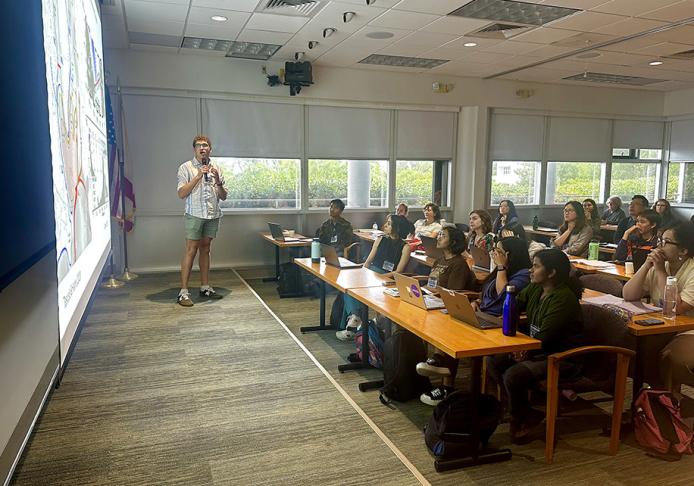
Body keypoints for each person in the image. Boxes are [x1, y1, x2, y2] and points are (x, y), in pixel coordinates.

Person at [487, 249, 583, 443]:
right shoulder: (536, 289)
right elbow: (514, 303)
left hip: (562, 357)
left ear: (551, 272)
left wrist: (522, 352)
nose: (530, 270)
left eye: (536, 266)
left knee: (514, 374)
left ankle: (522, 417)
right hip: (539, 349)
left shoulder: (562, 298)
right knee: (494, 361)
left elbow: (546, 336)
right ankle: (520, 409)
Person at [622, 223, 694, 416]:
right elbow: (628, 294)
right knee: (636, 350)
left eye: (666, 242)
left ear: (684, 250)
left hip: (687, 329)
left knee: (663, 356)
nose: (659, 246)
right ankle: (663, 400)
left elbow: (674, 308)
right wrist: (647, 265)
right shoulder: (660, 264)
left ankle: (668, 404)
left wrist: (661, 271)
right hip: (664, 328)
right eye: (659, 240)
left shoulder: (691, 270)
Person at [417, 226, 478, 405]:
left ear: (453, 242)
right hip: (433, 300)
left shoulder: (458, 264)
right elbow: (431, 283)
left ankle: (446, 383)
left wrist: (431, 294)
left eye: (443, 235)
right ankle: (432, 362)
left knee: (441, 324)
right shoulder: (440, 259)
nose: (438, 237)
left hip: (448, 307)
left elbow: (452, 293)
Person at [336, 215, 413, 340]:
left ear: (397, 228)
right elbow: (368, 261)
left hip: (387, 277)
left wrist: (378, 277)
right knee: (349, 284)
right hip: (371, 273)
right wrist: (362, 272)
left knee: (356, 287)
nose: (385, 226)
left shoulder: (405, 247)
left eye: (389, 223)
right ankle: (355, 318)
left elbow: (398, 272)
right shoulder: (380, 239)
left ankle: (354, 323)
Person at [176, 135, 227, 307]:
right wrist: (198, 176)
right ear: (194, 149)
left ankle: (205, 287)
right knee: (191, 250)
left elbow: (224, 196)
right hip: (195, 214)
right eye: (198, 145)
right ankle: (183, 292)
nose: (202, 148)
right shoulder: (186, 167)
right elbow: (182, 194)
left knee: (206, 249)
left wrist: (218, 182)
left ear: (210, 149)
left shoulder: (217, 168)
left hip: (212, 215)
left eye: (205, 145)